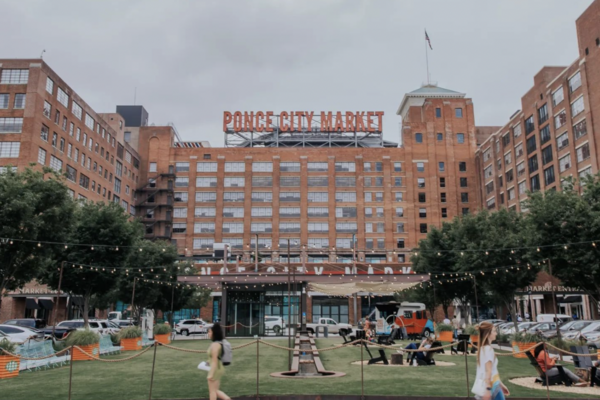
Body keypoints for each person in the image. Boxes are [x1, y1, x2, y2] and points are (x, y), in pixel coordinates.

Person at [475, 321, 510, 400]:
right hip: (492, 386)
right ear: (488, 333)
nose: (496, 333)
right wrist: (488, 389)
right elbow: (489, 370)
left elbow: (493, 371)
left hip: (491, 385)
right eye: (494, 331)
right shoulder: (488, 349)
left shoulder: (483, 349)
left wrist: (501, 385)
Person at [206, 323, 231, 400]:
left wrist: (210, 374)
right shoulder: (217, 343)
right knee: (215, 390)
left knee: (212, 392)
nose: (208, 333)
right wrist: (207, 362)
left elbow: (214, 360)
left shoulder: (215, 345)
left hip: (216, 368)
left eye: (210, 332)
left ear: (214, 333)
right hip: (218, 368)